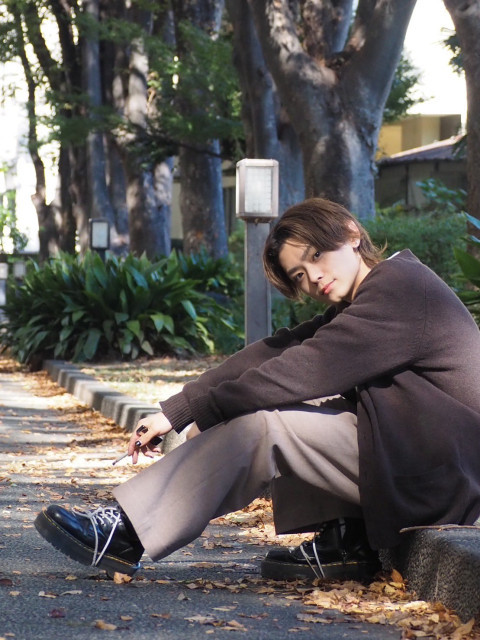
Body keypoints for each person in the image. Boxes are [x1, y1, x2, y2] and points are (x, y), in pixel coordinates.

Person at [34, 198, 480, 582]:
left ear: (350, 233)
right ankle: (345, 542)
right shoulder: (369, 295)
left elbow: (305, 368)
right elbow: (279, 348)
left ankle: (127, 531)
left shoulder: (400, 289)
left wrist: (211, 411)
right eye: (299, 275)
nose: (313, 277)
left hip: (449, 480)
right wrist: (178, 410)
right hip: (424, 466)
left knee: (265, 426)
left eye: (317, 255)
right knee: (297, 404)